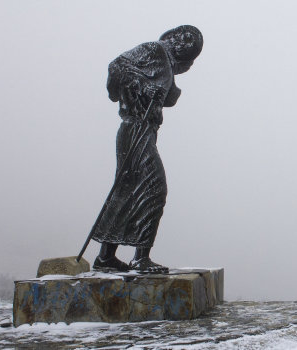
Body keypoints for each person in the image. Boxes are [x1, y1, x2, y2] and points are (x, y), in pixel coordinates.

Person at [91, 25, 203, 274]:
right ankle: (141, 257)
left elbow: (168, 96)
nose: (187, 44)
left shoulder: (165, 62)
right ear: (173, 36)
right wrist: (142, 84)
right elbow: (116, 68)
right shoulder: (154, 49)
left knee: (127, 190)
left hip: (144, 131)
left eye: (192, 43)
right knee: (153, 188)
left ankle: (106, 257)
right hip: (135, 129)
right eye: (185, 38)